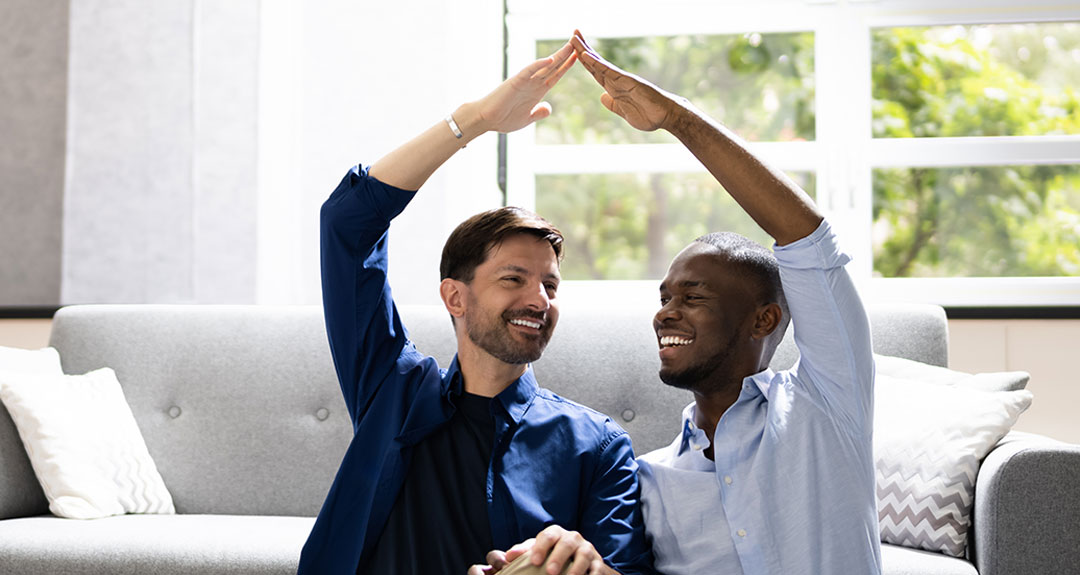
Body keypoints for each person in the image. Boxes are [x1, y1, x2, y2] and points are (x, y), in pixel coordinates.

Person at [472, 31, 881, 575]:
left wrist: (677, 119)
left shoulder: (826, 404)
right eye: (665, 297)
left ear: (764, 318)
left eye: (693, 297)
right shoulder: (651, 477)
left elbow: (809, 243)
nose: (666, 312)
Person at [297, 41, 655, 575]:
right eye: (514, 278)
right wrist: (476, 121)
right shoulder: (390, 389)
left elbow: (625, 570)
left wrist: (586, 568)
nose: (539, 298)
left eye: (550, 285)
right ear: (454, 296)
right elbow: (347, 224)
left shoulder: (596, 447)